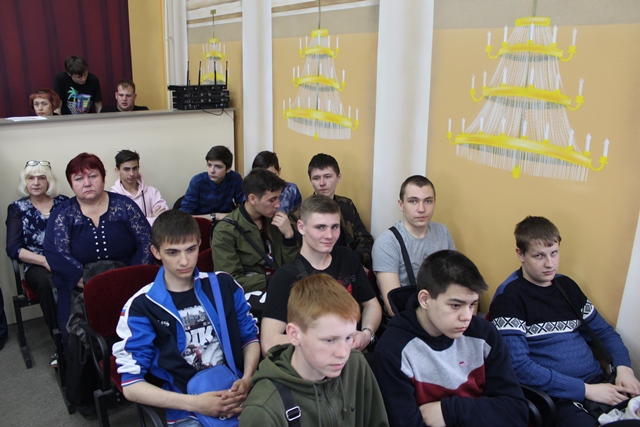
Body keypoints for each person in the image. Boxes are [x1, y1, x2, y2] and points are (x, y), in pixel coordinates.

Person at [489, 216, 640, 427]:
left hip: (599, 382)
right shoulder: (509, 297)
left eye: (554, 253)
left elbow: (604, 332)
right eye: (539, 256)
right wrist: (585, 390)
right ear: (520, 254)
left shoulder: (566, 286)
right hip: (558, 398)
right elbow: (519, 366)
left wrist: (624, 368)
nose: (549, 264)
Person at [113, 209, 260, 426]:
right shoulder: (143, 306)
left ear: (200, 244)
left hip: (237, 391)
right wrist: (196, 404)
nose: (184, 261)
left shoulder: (223, 285)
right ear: (156, 252)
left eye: (191, 249)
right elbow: (131, 386)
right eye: (172, 252)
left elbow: (249, 338)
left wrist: (247, 379)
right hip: (186, 407)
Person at [43, 152, 152, 418]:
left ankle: (143, 379)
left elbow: (145, 242)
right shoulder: (63, 214)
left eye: (92, 176)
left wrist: (128, 279)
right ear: (71, 184)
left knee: (147, 323)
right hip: (80, 288)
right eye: (79, 179)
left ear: (103, 177)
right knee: (77, 335)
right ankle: (90, 395)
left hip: (127, 285)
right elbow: (56, 253)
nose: (87, 183)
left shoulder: (124, 206)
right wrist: (88, 283)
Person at [374, 250, 529, 427]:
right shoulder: (393, 350)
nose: (467, 317)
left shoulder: (485, 334)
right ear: (425, 299)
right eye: (455, 305)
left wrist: (448, 411)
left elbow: (516, 412)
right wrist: (483, 412)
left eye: (472, 304)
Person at [240, 274, 389, 427]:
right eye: (329, 340)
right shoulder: (263, 410)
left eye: (348, 338)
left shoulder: (356, 364)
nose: (343, 353)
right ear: (294, 334)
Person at [261, 194, 382, 355]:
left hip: (354, 356)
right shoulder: (285, 277)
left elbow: (371, 304)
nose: (329, 235)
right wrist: (326, 341)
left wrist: (367, 333)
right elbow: (269, 342)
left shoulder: (347, 257)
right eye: (320, 227)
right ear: (301, 227)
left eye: (335, 227)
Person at [5, 160, 69, 365]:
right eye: (30, 178)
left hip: (66, 259)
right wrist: (44, 260)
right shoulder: (17, 208)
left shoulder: (64, 203)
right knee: (49, 285)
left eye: (42, 178)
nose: (36, 183)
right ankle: (61, 345)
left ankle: (88, 337)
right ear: (25, 182)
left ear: (49, 181)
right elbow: (13, 248)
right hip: (37, 265)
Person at [372, 175, 455, 316]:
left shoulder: (442, 232)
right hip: (409, 317)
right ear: (401, 204)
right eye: (413, 201)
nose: (421, 209)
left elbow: (459, 279)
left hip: (446, 312)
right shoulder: (387, 243)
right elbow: (394, 308)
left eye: (428, 201)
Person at [211, 168, 299, 294]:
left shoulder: (276, 221)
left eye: (279, 198)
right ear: (252, 199)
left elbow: (294, 266)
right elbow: (229, 280)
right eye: (272, 200)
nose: (278, 205)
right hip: (254, 293)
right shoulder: (225, 231)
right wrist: (273, 280)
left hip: (283, 286)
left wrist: (289, 237)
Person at [289, 153, 374, 270]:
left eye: (327, 176)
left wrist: (354, 261)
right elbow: (296, 255)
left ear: (338, 177)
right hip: (315, 272)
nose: (322, 183)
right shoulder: (297, 213)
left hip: (349, 266)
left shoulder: (346, 205)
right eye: (316, 178)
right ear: (310, 180)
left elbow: (365, 240)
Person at [180, 145, 245, 219]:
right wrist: (215, 216)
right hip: (202, 221)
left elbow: (244, 205)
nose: (211, 171)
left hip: (226, 220)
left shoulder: (235, 178)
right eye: (209, 165)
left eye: (218, 167)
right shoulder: (197, 181)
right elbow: (185, 216)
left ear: (228, 169)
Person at [110, 149, 168, 224]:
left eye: (134, 168)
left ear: (138, 168)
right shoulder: (113, 197)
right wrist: (152, 219)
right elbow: (121, 226)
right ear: (117, 171)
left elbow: (164, 219)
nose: (131, 173)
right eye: (127, 169)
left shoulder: (152, 192)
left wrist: (136, 222)